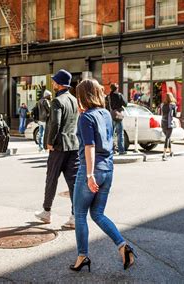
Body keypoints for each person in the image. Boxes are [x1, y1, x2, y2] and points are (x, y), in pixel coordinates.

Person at [69, 79, 136, 273]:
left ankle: (82, 256)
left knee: (80, 214)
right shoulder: (105, 114)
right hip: (108, 169)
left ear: (82, 96)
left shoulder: (86, 117)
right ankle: (123, 246)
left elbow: (89, 147)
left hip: (91, 169)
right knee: (97, 213)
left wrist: (89, 174)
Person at [35, 69, 79, 229]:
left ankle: (46, 212)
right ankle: (75, 216)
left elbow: (55, 123)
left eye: (54, 81)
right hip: (73, 145)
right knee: (73, 182)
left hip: (59, 146)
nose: (52, 83)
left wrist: (49, 142)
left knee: (51, 179)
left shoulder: (57, 101)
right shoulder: (74, 100)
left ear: (59, 84)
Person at [107, 83, 128, 155]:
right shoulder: (119, 95)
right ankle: (121, 150)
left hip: (111, 116)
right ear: (117, 88)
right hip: (118, 116)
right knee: (120, 134)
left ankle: (111, 149)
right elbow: (125, 104)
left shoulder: (108, 96)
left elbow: (106, 105)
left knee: (111, 134)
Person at [161, 92, 177, 161]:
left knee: (168, 137)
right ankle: (164, 154)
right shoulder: (172, 105)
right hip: (169, 123)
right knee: (167, 138)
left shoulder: (162, 105)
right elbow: (174, 115)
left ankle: (170, 152)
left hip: (163, 123)